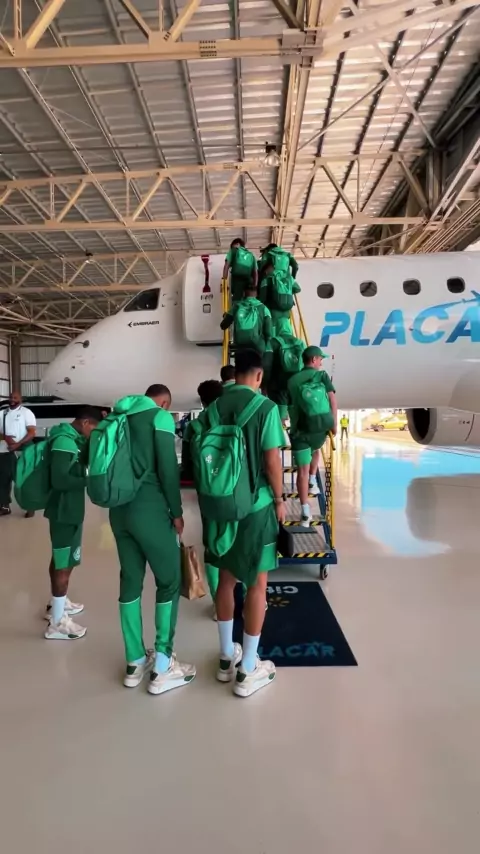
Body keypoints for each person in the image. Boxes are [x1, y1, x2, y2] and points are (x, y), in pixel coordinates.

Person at [194, 348, 286, 698]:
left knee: (226, 579)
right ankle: (248, 668)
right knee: (257, 584)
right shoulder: (266, 408)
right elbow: (272, 460)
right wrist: (280, 499)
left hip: (218, 506)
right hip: (255, 507)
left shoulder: (213, 408)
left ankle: (224, 658)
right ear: (258, 375)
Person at [108, 383, 195, 695]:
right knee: (169, 581)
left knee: (130, 580)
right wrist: (177, 512)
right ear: (164, 402)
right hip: (150, 511)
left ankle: (134, 662)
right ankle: (162, 665)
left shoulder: (118, 417)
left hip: (118, 512)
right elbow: (168, 470)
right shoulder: (159, 418)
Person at [44, 406, 102, 639]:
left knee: (61, 559)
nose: (93, 435)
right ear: (86, 422)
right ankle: (57, 623)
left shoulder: (73, 440)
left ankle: (57, 603)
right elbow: (60, 480)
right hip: (64, 511)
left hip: (69, 510)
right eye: (94, 429)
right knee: (63, 564)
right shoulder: (64, 441)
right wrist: (91, 479)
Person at [181, 379, 224, 611]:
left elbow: (187, 469)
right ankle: (253, 600)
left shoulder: (195, 427)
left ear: (202, 401)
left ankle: (219, 605)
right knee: (242, 547)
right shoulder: (236, 420)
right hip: (238, 495)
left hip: (209, 496)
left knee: (213, 549)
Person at [287, 346, 337, 527]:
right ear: (314, 359)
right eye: (320, 359)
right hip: (318, 431)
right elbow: (332, 400)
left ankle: (305, 512)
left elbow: (290, 406)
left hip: (300, 431)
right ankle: (313, 479)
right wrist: (334, 424)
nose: (321, 362)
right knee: (316, 449)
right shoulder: (322, 376)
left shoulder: (292, 380)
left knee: (301, 471)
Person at [0, 390, 36, 517]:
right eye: (11, 397)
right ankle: (4, 506)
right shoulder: (2, 413)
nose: (12, 400)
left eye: (15, 398)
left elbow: (31, 432)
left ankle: (30, 506)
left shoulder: (26, 413)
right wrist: (6, 438)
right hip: (5, 451)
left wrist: (18, 444)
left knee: (23, 479)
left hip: (23, 451)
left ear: (21, 399)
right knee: (3, 480)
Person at [257, 244, 300, 337]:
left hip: (272, 310)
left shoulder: (267, 278)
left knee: (273, 334)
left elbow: (262, 300)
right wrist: (291, 278)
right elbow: (296, 267)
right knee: (286, 333)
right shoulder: (288, 256)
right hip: (286, 311)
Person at [220, 284, 273, 356]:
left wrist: (226, 316)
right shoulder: (263, 308)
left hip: (240, 345)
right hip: (257, 346)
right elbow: (268, 333)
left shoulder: (236, 306)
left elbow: (223, 325)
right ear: (256, 294)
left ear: (243, 293)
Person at [222, 238, 258, 304]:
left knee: (237, 303)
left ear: (237, 244)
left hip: (237, 282)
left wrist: (224, 281)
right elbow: (255, 272)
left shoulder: (233, 251)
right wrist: (254, 286)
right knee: (249, 304)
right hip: (248, 283)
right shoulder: (251, 255)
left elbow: (226, 266)